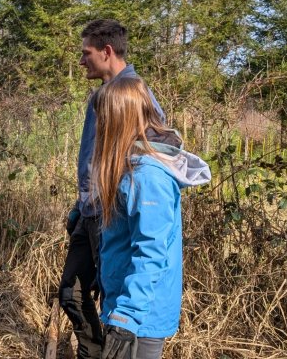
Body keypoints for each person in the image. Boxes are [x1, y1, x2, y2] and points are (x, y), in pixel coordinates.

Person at [60, 19, 166, 359]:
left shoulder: (133, 94)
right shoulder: (100, 96)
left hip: (112, 215)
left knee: (112, 295)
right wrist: (81, 204)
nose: (81, 61)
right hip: (89, 212)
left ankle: (110, 349)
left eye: (86, 53)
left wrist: (116, 201)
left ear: (107, 52)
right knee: (70, 292)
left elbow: (156, 153)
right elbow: (94, 157)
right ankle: (93, 351)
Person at [90, 76, 210, 359]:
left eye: (102, 119)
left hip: (140, 317)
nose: (98, 128)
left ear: (117, 120)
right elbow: (125, 239)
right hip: (124, 303)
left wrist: (125, 318)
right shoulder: (132, 167)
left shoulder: (147, 177)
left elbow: (151, 253)